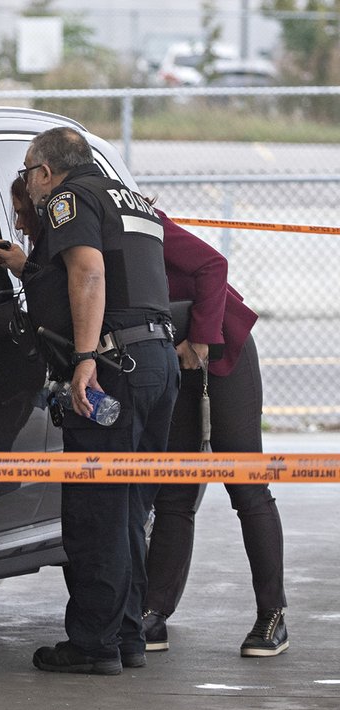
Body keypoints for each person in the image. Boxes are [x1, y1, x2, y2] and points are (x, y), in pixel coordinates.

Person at [0, 127, 178, 675]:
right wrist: (27, 268)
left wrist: (86, 358)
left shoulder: (68, 199)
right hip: (156, 363)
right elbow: (122, 276)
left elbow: (89, 271)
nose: (28, 184)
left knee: (96, 509)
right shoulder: (129, 198)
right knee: (128, 508)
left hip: (113, 368)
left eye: (28, 172)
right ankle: (127, 637)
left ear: (46, 172)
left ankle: (94, 643)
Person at [143, 210, 288, 657]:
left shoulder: (135, 218)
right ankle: (153, 614)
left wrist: (202, 339)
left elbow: (212, 264)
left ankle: (272, 616)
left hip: (218, 351)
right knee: (173, 492)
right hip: (172, 357)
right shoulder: (75, 232)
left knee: (247, 488)